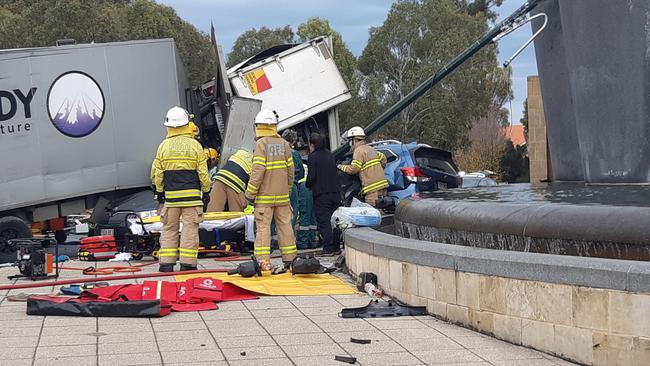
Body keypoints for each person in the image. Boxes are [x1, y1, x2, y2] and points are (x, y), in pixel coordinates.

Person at [151, 106, 211, 272]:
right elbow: (203, 173)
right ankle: (187, 264)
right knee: (190, 229)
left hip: (171, 198)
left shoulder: (163, 146)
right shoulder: (195, 146)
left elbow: (158, 173)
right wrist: (206, 191)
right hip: (192, 197)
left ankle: (166, 264)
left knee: (169, 229)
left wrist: (160, 192)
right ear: (187, 124)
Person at [245, 109, 297, 270]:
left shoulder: (261, 144)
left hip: (264, 198)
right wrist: (287, 190)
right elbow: (291, 172)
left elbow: (258, 172)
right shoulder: (284, 144)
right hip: (282, 197)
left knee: (263, 229)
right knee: (286, 227)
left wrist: (250, 193)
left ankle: (262, 261)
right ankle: (290, 259)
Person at [306, 132, 341, 255]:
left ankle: (328, 248)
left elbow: (312, 176)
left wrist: (308, 185)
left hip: (322, 194)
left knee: (324, 221)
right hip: (335, 192)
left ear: (312, 145)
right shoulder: (330, 155)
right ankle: (337, 246)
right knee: (335, 221)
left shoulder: (313, 157)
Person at [337, 126, 388, 207]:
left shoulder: (358, 151)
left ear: (354, 140)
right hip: (382, 185)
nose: (350, 143)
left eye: (350, 140)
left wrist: (340, 167)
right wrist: (377, 170)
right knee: (381, 209)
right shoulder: (370, 149)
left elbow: (354, 169)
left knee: (373, 213)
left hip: (372, 188)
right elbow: (383, 158)